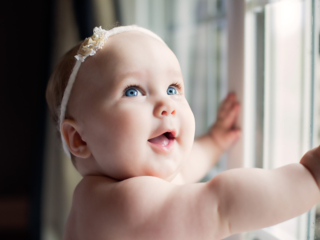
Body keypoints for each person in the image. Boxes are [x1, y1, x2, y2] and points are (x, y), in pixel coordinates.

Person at [46, 25, 320, 240]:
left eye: (173, 88)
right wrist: (309, 178)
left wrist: (214, 140)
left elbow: (185, 167)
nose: (167, 104)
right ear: (79, 139)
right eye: (133, 91)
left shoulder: (114, 191)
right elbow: (220, 207)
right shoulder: (121, 204)